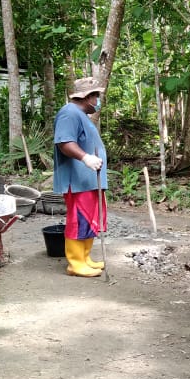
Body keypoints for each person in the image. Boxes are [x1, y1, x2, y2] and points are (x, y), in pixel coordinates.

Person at [53, 77, 109, 278]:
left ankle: (85, 258)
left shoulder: (81, 115)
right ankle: (75, 263)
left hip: (89, 181)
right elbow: (64, 142)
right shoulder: (69, 113)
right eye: (96, 96)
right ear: (87, 97)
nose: (98, 100)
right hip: (77, 181)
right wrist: (85, 157)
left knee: (90, 219)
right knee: (79, 219)